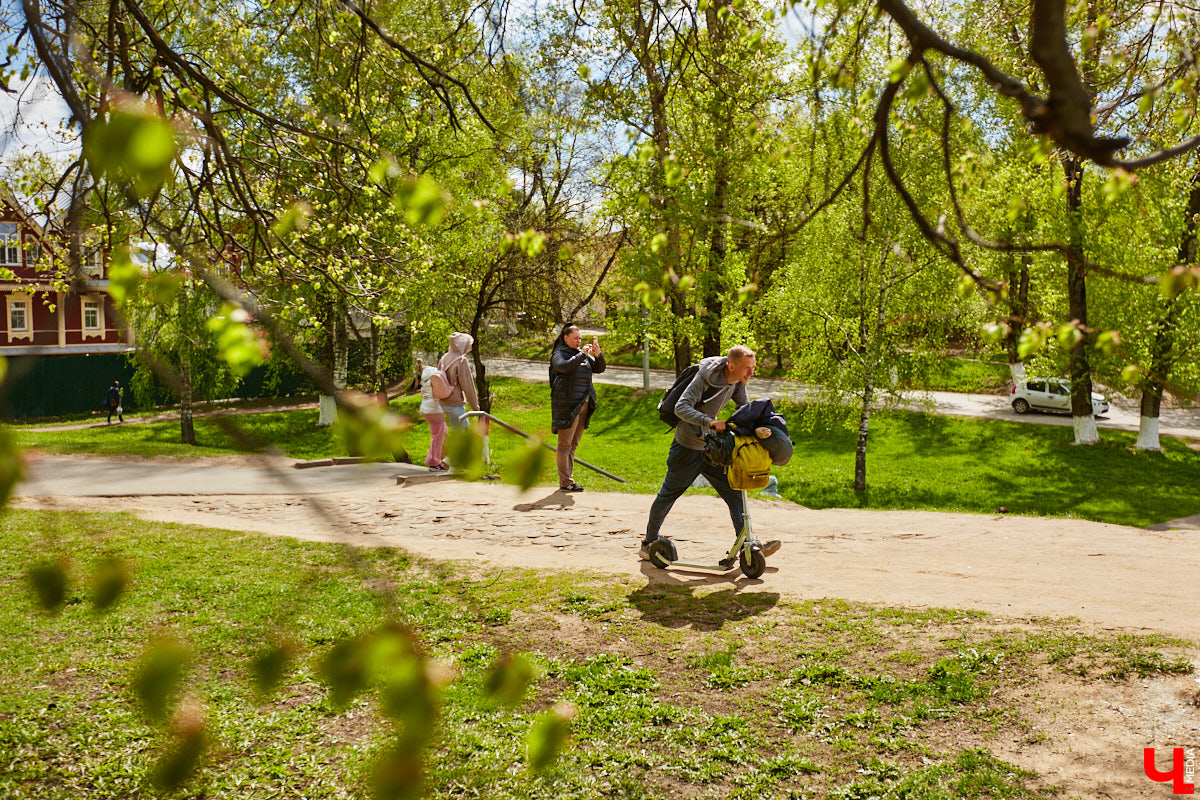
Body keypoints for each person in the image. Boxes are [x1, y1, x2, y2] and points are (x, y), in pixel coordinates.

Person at [640, 345, 780, 560]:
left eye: (753, 367)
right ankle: (649, 543)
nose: (751, 373)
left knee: (734, 493)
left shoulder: (737, 382)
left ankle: (747, 545)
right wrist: (709, 421)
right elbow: (681, 407)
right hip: (687, 447)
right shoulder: (705, 378)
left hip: (713, 448)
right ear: (731, 366)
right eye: (746, 368)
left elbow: (744, 408)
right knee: (669, 494)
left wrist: (757, 426)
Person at [550, 324, 606, 492]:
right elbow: (564, 366)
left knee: (573, 445)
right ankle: (565, 481)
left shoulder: (582, 354)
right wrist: (583, 354)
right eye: (575, 338)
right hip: (568, 405)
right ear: (565, 338)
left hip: (584, 404)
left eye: (580, 338)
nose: (578, 341)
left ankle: (569, 480)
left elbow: (599, 368)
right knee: (564, 445)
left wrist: (598, 355)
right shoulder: (559, 353)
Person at [437, 333, 481, 430]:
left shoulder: (444, 357)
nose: (469, 348)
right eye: (469, 345)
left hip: (443, 402)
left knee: (467, 432)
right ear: (462, 345)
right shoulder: (461, 360)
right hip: (454, 405)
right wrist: (475, 406)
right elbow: (468, 385)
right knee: (459, 438)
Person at [419, 356, 448, 470]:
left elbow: (423, 393)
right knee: (438, 436)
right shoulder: (436, 378)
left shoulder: (425, 379)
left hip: (427, 410)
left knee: (443, 432)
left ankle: (440, 459)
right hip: (435, 410)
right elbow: (440, 393)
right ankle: (434, 462)